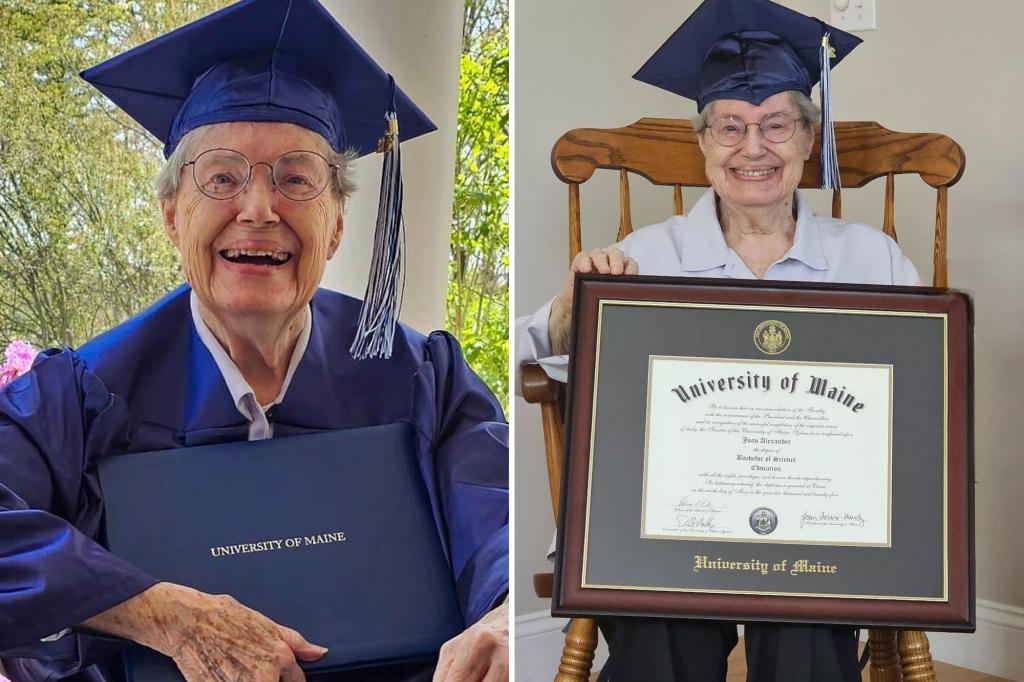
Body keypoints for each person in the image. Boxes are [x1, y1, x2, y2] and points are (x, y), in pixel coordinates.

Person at [0, 1, 508, 681]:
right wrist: (160, 614)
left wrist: (507, 613)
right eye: (221, 178)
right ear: (172, 216)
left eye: (296, 178)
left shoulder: (420, 376)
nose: (259, 209)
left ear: (336, 224)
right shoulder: (81, 394)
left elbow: (500, 513)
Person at [516, 0, 917, 680]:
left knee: (807, 629)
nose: (753, 148)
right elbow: (534, 362)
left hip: (820, 525)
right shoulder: (643, 259)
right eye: (730, 127)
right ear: (703, 142)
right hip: (669, 522)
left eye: (777, 125)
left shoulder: (872, 261)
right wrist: (572, 308)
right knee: (658, 625)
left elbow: (924, 394)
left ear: (809, 139)